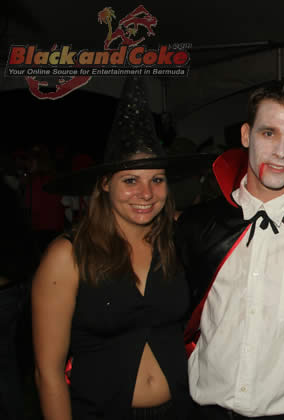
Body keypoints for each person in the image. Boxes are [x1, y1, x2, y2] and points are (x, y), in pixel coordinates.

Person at [32, 77, 211, 419]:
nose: (146, 193)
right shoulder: (68, 256)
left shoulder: (177, 241)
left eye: (156, 180)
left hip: (181, 409)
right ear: (105, 184)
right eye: (131, 180)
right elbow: (48, 373)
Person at [176, 82, 284, 419]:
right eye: (269, 133)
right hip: (208, 411)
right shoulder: (200, 226)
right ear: (246, 135)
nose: (280, 152)